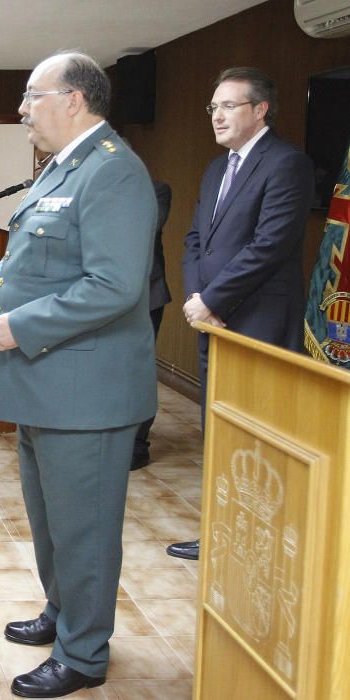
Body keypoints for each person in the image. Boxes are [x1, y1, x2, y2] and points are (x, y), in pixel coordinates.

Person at [0, 52, 157, 697]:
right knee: (51, 522)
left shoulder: (114, 173)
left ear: (73, 99)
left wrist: (23, 326)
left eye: (30, 96)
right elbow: (21, 268)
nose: (21, 109)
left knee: (85, 528)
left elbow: (115, 286)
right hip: (46, 387)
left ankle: (84, 654)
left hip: (86, 391)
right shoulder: (59, 171)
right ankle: (62, 614)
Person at [168, 67, 314, 562]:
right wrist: (197, 300)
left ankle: (262, 541)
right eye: (213, 107)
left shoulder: (286, 163)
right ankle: (220, 532)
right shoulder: (215, 169)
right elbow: (195, 242)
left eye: (228, 106)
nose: (217, 116)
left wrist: (211, 300)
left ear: (260, 110)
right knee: (219, 430)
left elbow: (270, 246)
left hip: (257, 324)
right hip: (214, 323)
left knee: (257, 437)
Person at [131, 179, 172, 470]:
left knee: (138, 371)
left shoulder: (156, 189)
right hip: (104, 298)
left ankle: (136, 445)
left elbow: (144, 229)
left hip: (147, 297)